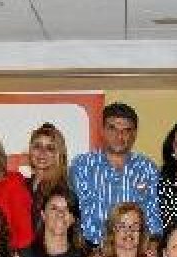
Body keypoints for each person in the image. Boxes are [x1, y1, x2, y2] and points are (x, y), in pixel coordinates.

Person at [70, 102, 163, 246]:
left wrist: (149, 251)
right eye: (112, 128)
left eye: (126, 130)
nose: (119, 135)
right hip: (92, 252)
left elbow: (153, 217)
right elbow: (78, 214)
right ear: (102, 130)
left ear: (134, 133)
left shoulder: (147, 168)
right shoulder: (82, 166)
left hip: (137, 255)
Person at [25, 122, 71, 235]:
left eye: (50, 148)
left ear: (59, 154)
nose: (42, 152)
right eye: (37, 146)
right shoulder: (23, 184)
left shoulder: (63, 190)